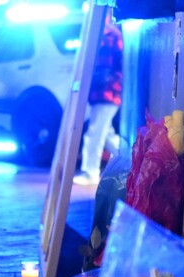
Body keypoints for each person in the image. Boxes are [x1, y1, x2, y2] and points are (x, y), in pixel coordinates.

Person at [75, 13, 123, 186]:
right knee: (106, 134)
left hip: (107, 92)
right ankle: (128, 160)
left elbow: (115, 65)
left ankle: (91, 172)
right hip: (103, 93)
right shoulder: (105, 36)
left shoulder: (109, 37)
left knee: (95, 132)